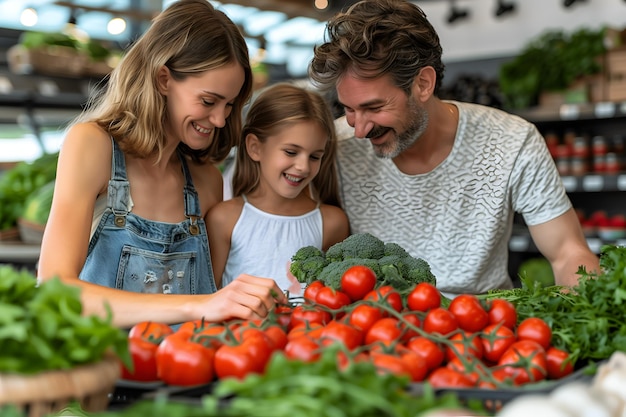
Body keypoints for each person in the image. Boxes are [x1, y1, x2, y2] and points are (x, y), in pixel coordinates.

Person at [308, 0, 600, 297]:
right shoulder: (331, 147)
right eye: (349, 110)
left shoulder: (512, 141)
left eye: (374, 107)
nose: (358, 129)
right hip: (375, 330)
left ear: (423, 83)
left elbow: (567, 251)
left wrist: (591, 308)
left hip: (483, 325)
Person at [37, 0, 286, 329]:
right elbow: (54, 292)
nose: (220, 119)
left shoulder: (207, 181)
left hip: (183, 373)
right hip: (102, 366)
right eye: (209, 101)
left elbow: (215, 307)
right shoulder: (93, 145)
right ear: (163, 79)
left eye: (229, 105)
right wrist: (194, 306)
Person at [207, 83, 350, 293]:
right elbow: (209, 299)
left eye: (314, 156)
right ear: (255, 147)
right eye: (291, 152)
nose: (302, 167)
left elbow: (334, 298)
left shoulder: (332, 223)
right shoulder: (223, 219)